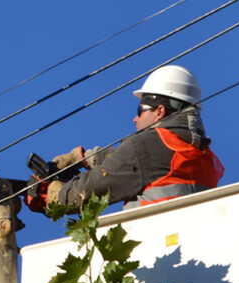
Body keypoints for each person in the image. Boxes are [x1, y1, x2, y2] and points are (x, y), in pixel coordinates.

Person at [24, 65, 223, 213]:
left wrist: (51, 194)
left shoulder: (145, 146)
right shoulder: (202, 155)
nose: (135, 118)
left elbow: (89, 189)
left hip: (152, 251)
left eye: (140, 110)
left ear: (159, 111)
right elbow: (139, 164)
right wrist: (85, 157)